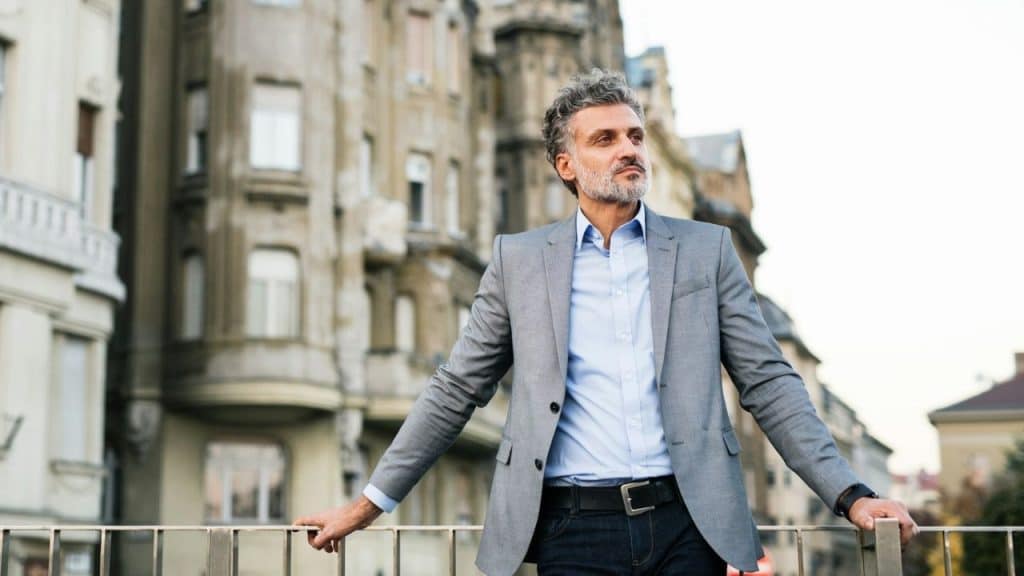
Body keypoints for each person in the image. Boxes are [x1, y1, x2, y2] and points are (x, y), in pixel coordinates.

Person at [294, 69, 917, 575]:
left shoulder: (707, 250)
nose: (628, 150)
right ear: (567, 166)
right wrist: (367, 506)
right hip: (572, 528)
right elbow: (456, 389)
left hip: (688, 522)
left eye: (635, 136)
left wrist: (852, 495)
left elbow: (770, 383)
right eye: (605, 139)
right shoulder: (519, 260)